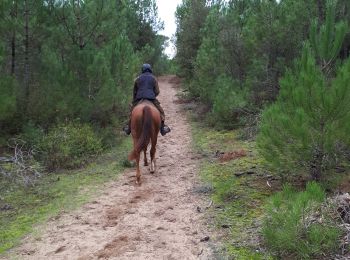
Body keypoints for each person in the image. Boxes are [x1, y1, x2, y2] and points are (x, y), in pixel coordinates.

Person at [123, 64, 171, 136]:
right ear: (150, 69)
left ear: (142, 70)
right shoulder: (153, 78)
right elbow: (157, 91)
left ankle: (128, 127)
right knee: (161, 111)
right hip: (151, 99)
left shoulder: (138, 78)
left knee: (131, 112)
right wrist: (152, 95)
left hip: (139, 98)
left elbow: (134, 91)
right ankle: (162, 127)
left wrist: (134, 101)